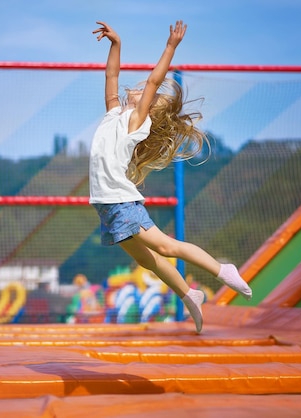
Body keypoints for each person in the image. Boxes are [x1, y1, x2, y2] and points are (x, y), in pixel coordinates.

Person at [89, 20, 252, 333]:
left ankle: (223, 270)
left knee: (165, 247)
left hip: (121, 203)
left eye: (142, 93)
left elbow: (153, 81)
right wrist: (116, 44)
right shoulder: (114, 114)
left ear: (148, 109)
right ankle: (189, 294)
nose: (135, 90)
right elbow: (111, 76)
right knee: (148, 261)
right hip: (106, 207)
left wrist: (170, 47)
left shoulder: (135, 122)